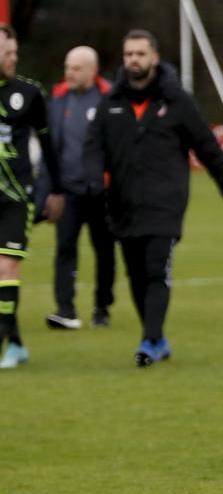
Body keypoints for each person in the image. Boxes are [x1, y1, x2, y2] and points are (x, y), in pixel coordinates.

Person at [84, 29, 223, 367]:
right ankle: (156, 337)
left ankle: (148, 341)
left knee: (156, 270)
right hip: (123, 204)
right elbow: (93, 148)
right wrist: (94, 180)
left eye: (140, 54)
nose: (134, 61)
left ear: (154, 57)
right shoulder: (110, 104)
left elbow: (208, 149)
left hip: (165, 203)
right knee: (137, 275)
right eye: (128, 55)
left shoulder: (177, 102)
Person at [0, 26, 65, 369]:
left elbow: (49, 145)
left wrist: (56, 189)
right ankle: (18, 344)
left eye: (15, 53)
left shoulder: (28, 93)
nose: (13, 59)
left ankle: (3, 344)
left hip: (16, 197)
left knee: (6, 266)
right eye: (7, 53)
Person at [41, 46, 115, 330]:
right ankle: (65, 307)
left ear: (92, 71)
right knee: (65, 248)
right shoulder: (58, 100)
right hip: (67, 191)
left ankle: (102, 306)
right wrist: (50, 190)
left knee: (104, 250)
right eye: (67, 67)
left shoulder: (109, 99)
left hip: (101, 192)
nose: (69, 73)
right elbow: (50, 149)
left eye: (75, 68)